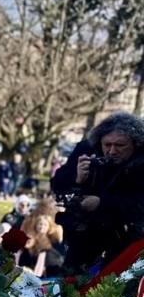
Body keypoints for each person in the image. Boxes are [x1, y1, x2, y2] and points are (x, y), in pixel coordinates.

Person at [51, 112, 144, 270]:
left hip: (128, 235)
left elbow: (140, 206)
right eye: (107, 145)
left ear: (135, 143)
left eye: (120, 145)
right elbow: (57, 183)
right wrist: (77, 178)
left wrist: (101, 203)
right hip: (84, 231)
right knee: (71, 279)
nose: (112, 151)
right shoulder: (86, 148)